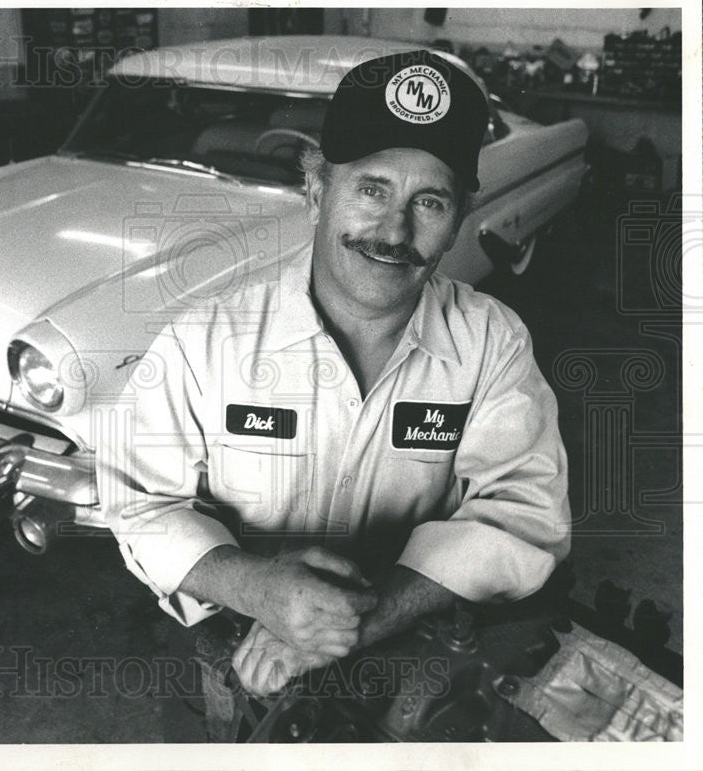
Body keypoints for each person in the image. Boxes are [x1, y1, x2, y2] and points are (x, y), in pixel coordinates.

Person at [95, 49, 571, 708]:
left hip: (412, 648)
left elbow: (526, 510)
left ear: (458, 217)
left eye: (428, 201)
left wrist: (359, 620)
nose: (394, 229)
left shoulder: (491, 344)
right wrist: (255, 588)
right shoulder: (205, 341)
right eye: (371, 189)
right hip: (243, 649)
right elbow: (138, 503)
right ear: (318, 192)